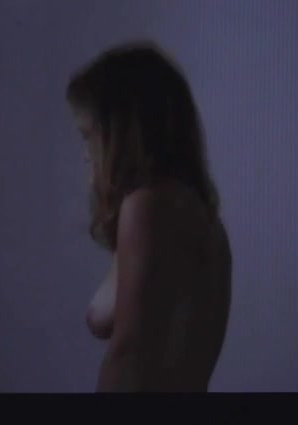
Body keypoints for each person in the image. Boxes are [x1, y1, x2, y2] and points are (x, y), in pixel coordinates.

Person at [66, 41, 232, 393]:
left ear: (120, 133)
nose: (85, 154)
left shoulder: (147, 206)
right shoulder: (203, 217)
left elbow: (127, 357)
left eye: (88, 136)